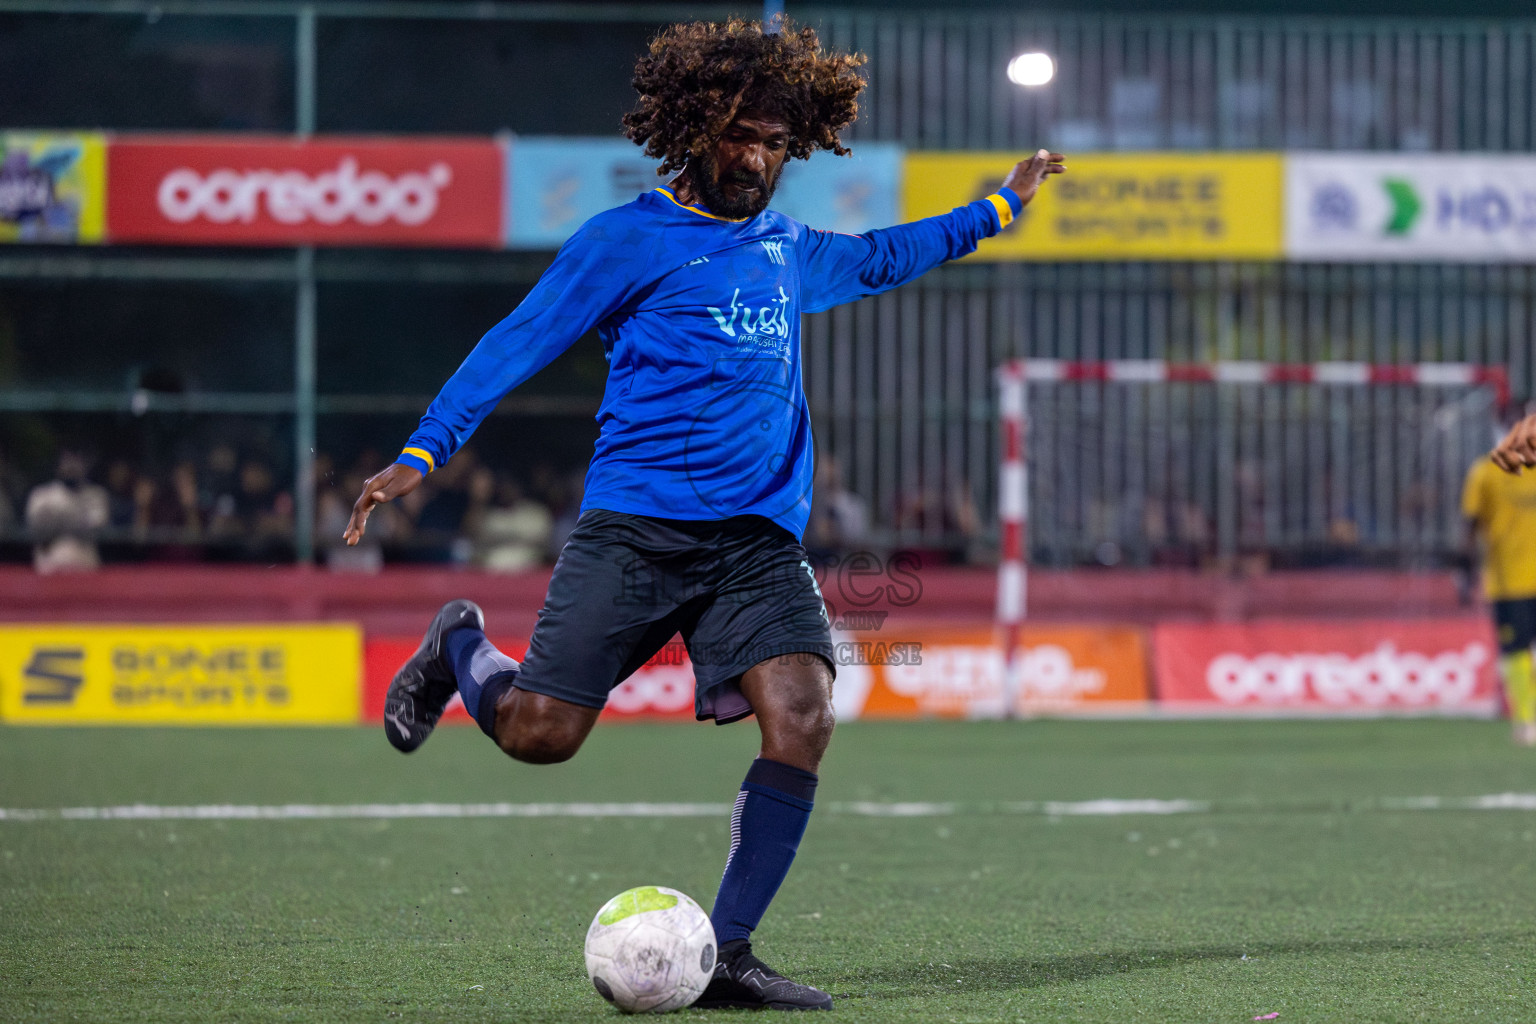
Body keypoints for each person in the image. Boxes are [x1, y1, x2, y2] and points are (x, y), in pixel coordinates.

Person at [342, 17, 1065, 1011]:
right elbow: (516, 342)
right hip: (635, 529)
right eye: (740, 136)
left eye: (775, 142)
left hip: (754, 543)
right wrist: (422, 451)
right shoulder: (626, 241)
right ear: (694, 129)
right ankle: (461, 645)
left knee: (804, 715)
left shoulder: (787, 247)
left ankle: (726, 953)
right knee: (541, 735)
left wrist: (996, 206)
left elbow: (893, 254)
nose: (758, 158)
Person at [1466, 428, 1536, 745]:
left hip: (1515, 581)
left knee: (1517, 652)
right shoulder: (1486, 472)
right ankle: (1526, 719)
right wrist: (1466, 574)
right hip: (1509, 580)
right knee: (1516, 651)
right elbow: (1469, 523)